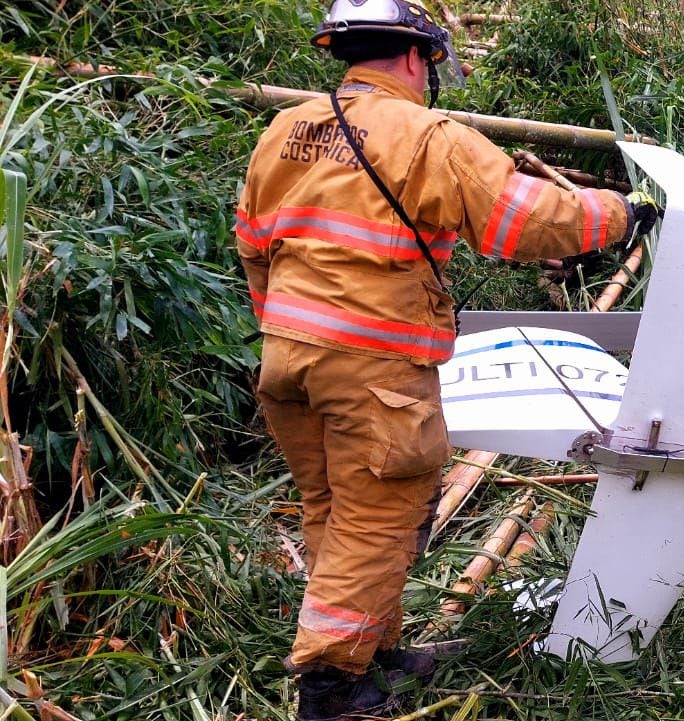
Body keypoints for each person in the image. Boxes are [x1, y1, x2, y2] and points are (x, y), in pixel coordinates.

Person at [233, 1, 661, 718]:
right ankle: (332, 688)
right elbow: (524, 219)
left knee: (337, 513)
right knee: (377, 521)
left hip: (287, 366)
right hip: (373, 372)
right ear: (414, 57)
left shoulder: (285, 129)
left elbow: (252, 242)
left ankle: (373, 652)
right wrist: (622, 212)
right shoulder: (429, 136)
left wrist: (288, 333)